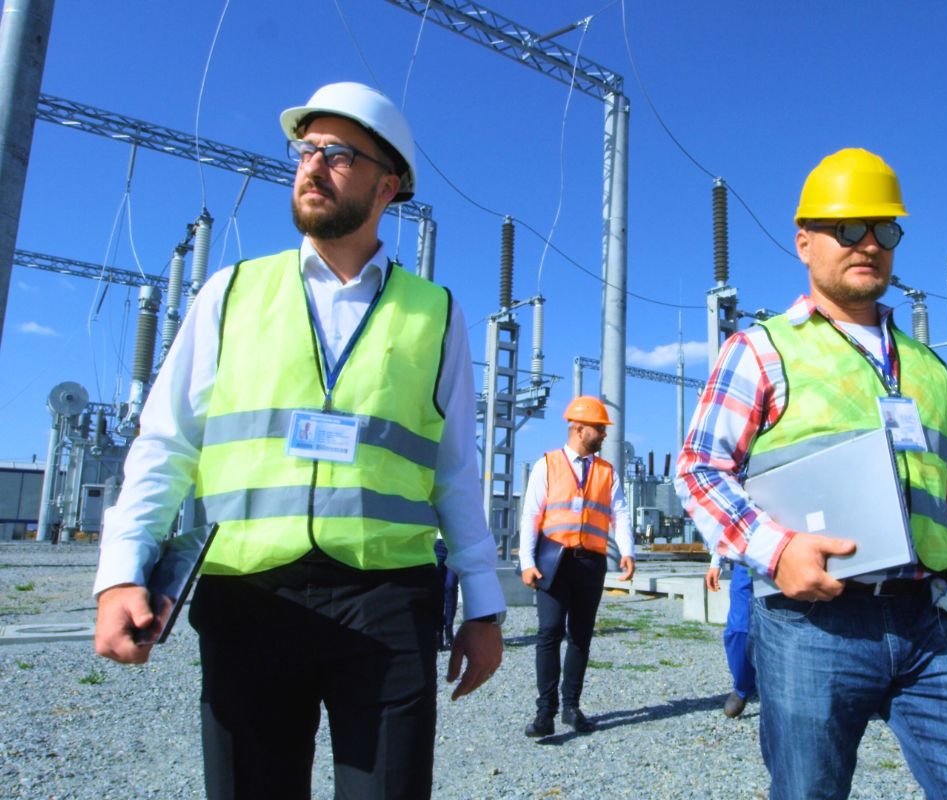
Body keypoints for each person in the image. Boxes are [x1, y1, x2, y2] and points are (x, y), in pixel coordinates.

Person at [92, 81, 505, 799]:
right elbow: (166, 442)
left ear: (389, 184)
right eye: (305, 149)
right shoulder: (231, 292)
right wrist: (123, 570)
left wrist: (485, 606)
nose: (312, 165)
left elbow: (455, 471)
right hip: (252, 597)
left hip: (387, 603)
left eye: (338, 153)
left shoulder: (435, 314)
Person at [676, 148, 947, 799]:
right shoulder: (761, 349)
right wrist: (776, 550)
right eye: (847, 229)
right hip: (814, 622)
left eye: (884, 230)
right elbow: (700, 469)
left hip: (936, 619)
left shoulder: (930, 368)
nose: (868, 243)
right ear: (805, 242)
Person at [518, 396, 636, 737]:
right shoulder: (548, 465)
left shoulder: (606, 472)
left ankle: (571, 707)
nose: (603, 434)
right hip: (554, 563)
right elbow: (531, 515)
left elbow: (621, 513)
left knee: (581, 636)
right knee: (549, 633)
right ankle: (545, 713)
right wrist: (527, 561)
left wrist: (627, 550)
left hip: (591, 563)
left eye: (603, 429)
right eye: (599, 429)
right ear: (578, 428)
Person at [705, 552, 757, 718]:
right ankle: (743, 687)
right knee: (739, 629)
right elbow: (729, 527)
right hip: (751, 559)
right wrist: (716, 563)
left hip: (799, 554)